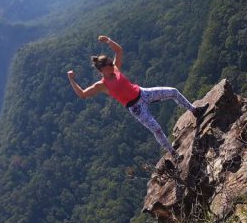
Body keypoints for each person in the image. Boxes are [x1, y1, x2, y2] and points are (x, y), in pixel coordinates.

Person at [67, 35, 198, 155]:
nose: (112, 65)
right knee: (156, 129)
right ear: (102, 69)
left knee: (173, 92)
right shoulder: (102, 85)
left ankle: (194, 110)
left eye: (110, 63)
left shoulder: (115, 69)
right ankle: (172, 152)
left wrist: (108, 41)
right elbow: (82, 94)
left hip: (142, 93)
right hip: (136, 108)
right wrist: (71, 79)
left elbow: (118, 51)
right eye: (109, 65)